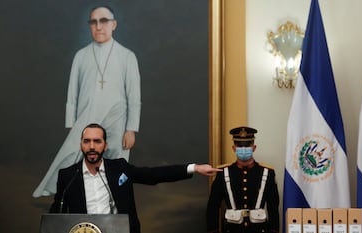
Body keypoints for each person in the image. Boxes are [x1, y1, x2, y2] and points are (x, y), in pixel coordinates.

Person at [33, 5, 141, 197]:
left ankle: (114, 204)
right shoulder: (81, 56)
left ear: (113, 24)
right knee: (74, 161)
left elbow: (134, 96)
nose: (99, 26)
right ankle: (70, 197)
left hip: (118, 120)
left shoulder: (127, 56)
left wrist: (131, 129)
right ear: (90, 26)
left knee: (116, 164)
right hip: (87, 118)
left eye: (104, 21)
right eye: (94, 22)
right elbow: (72, 94)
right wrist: (71, 124)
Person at [50, 123, 221, 233]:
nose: (92, 146)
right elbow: (56, 213)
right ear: (81, 145)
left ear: (105, 145)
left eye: (97, 141)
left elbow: (153, 175)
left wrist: (194, 168)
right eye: (87, 141)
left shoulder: (120, 168)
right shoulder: (68, 175)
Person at [206, 126, 280, 233]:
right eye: (240, 145)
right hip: (232, 229)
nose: (243, 148)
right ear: (234, 148)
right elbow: (213, 207)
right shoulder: (223, 173)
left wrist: (274, 230)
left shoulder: (267, 173)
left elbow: (273, 208)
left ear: (254, 147)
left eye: (247, 145)